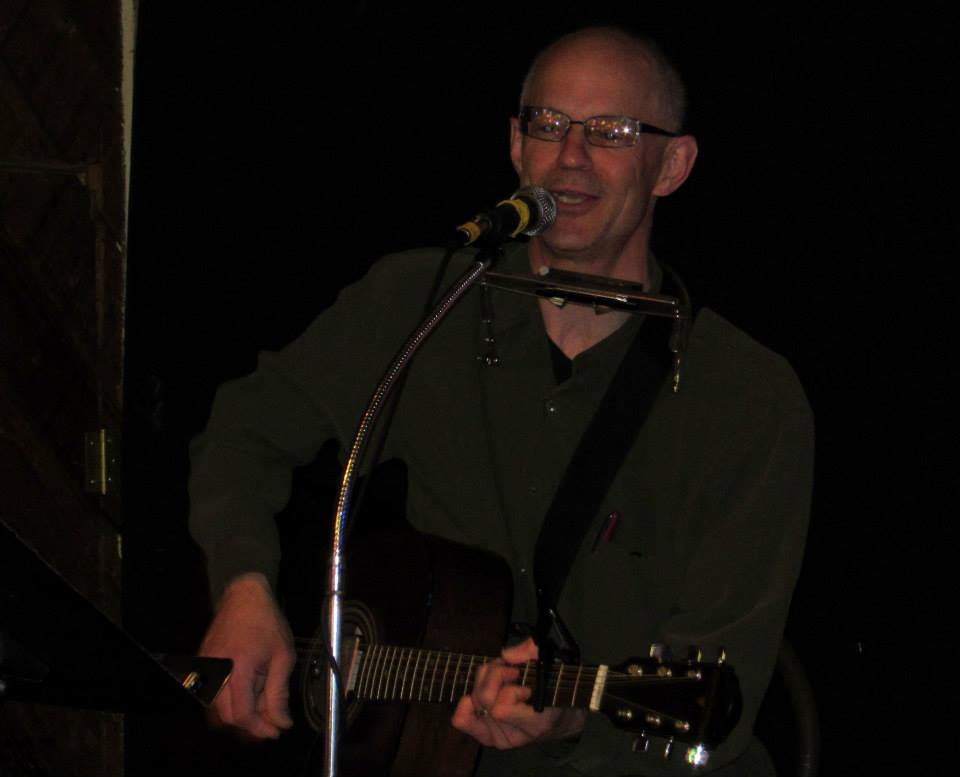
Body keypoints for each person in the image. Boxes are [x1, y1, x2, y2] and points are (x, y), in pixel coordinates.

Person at [190, 26, 813, 775]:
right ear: (516, 146)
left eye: (611, 132)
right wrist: (243, 586)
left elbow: (718, 689)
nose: (570, 155)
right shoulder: (424, 301)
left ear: (672, 166)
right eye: (548, 125)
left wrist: (573, 720)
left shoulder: (744, 394)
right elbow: (244, 433)